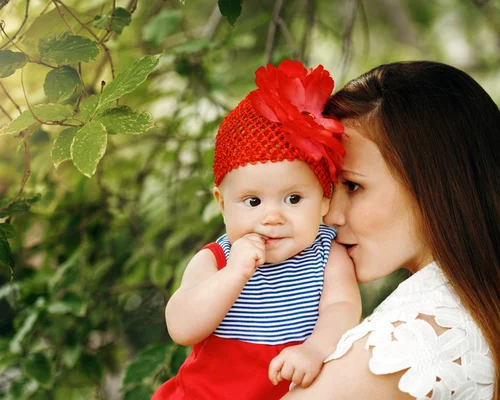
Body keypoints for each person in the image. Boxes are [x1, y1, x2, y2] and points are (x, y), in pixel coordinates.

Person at [281, 61, 499, 399]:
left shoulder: (406, 345)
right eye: (328, 188)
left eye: (352, 186)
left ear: (434, 183)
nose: (331, 215)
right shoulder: (475, 311)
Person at [152, 60, 361, 400]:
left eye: (293, 198)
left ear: (324, 201)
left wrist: (315, 349)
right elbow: (181, 327)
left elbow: (343, 309)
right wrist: (235, 273)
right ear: (223, 204)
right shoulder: (216, 260)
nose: (273, 217)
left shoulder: (328, 257)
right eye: (252, 202)